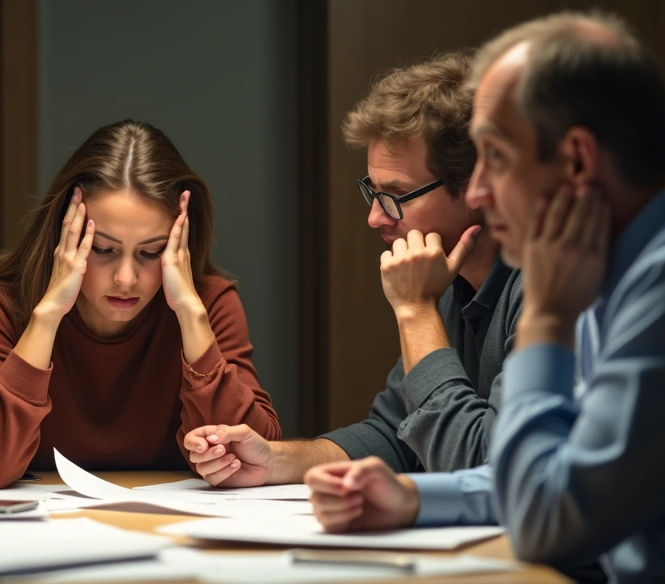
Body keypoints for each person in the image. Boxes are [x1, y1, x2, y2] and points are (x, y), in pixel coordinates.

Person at [306, 11, 665, 584]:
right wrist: (417, 497)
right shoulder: (609, 276)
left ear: (577, 160)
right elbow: (554, 478)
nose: (479, 192)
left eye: (496, 159)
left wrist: (548, 323)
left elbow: (548, 520)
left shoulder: (658, 285)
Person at [184, 50, 520, 487]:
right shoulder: (449, 283)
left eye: (397, 194)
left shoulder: (549, 291)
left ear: (479, 189)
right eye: (373, 192)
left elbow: (477, 463)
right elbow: (394, 436)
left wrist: (416, 311)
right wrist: (275, 460)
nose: (376, 218)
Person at [0, 120, 280, 488]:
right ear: (65, 235)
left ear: (179, 246)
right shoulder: (2, 304)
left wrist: (191, 317)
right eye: (103, 249)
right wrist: (47, 316)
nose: (125, 278)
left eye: (151, 253)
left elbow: (254, 457)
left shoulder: (208, 306)